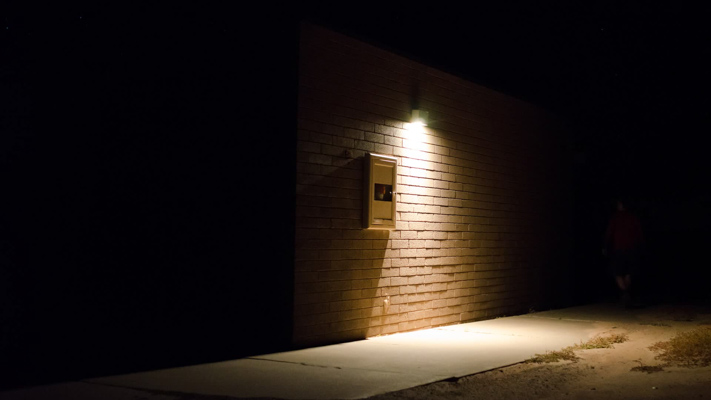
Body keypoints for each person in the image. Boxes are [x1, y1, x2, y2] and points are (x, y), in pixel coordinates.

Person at [603, 197, 644, 307]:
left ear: (621, 205)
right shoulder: (633, 217)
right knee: (628, 272)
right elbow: (639, 234)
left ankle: (625, 293)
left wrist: (606, 247)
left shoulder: (616, 218)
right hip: (632, 249)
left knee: (617, 272)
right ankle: (627, 294)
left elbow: (609, 234)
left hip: (619, 249)